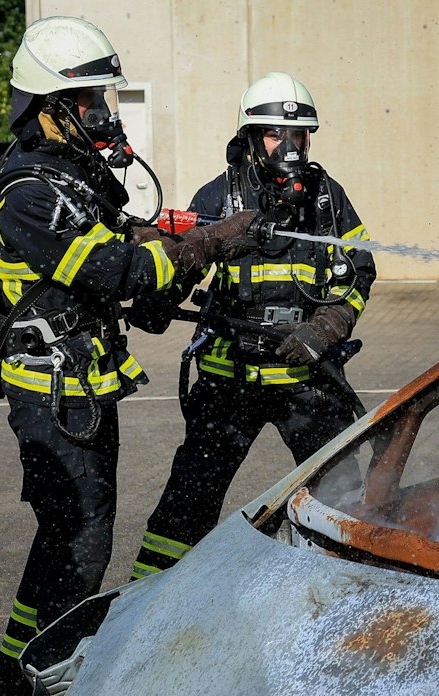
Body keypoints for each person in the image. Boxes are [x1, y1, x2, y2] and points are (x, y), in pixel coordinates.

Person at [0, 16, 261, 696]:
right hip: (50, 391)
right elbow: (114, 270)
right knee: (79, 536)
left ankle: (18, 665)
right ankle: (46, 677)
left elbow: (123, 261)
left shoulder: (69, 181)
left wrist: (168, 256)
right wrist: (207, 246)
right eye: (90, 104)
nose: (103, 115)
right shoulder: (27, 194)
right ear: (51, 113)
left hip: (81, 383)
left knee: (71, 533)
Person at [130, 72, 375, 581]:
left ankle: (348, 595)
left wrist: (324, 330)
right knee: (187, 504)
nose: (289, 146)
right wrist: (176, 268)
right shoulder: (219, 196)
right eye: (274, 134)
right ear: (250, 138)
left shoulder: (326, 198)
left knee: (343, 502)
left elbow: (361, 270)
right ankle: (147, 602)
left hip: (307, 379)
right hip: (229, 380)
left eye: (299, 135)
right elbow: (175, 276)